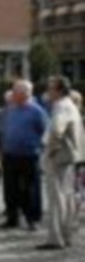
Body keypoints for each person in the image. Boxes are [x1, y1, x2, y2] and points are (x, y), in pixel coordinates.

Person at [37, 77, 85, 250]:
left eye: (51, 89)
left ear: (59, 90)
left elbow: (57, 130)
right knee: (66, 196)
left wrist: (50, 152)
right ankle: (66, 235)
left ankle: (56, 238)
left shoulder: (61, 106)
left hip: (59, 157)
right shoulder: (68, 105)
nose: (48, 92)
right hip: (67, 157)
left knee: (57, 198)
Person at [0, 80, 49, 231]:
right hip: (10, 154)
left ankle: (32, 218)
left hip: (29, 155)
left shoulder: (37, 111)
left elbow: (45, 132)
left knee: (30, 188)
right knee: (10, 188)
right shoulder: (10, 110)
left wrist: (38, 147)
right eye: (14, 91)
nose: (13, 94)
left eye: (16, 92)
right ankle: (12, 218)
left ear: (26, 94)